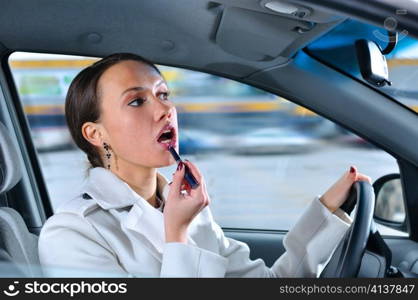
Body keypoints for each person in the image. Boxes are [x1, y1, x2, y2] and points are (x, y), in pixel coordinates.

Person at [38, 53, 372, 277]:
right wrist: (177, 235)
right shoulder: (71, 235)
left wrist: (329, 213)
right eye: (137, 101)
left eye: (164, 94)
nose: (165, 109)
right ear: (95, 133)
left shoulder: (183, 205)